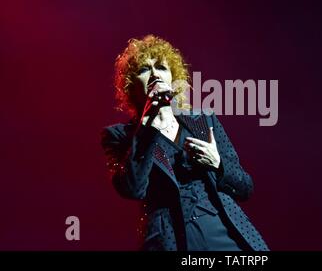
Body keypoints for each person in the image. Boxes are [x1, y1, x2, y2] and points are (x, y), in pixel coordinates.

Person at [100, 35, 269, 251]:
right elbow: (133, 188)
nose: (154, 74)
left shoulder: (203, 120)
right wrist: (147, 126)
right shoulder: (121, 136)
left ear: (173, 77)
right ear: (132, 85)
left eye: (161, 67)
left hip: (225, 235)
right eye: (144, 69)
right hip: (173, 241)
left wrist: (218, 164)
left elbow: (245, 186)